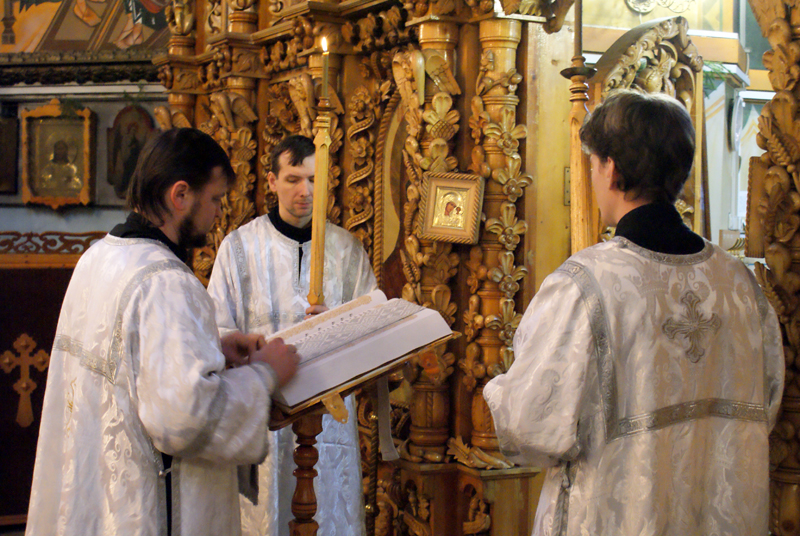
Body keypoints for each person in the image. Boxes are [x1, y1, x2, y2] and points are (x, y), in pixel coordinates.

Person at [483, 90, 785, 535]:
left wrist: (498, 391)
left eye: (592, 163)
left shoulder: (585, 285)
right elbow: (767, 403)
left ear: (610, 168)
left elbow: (530, 427)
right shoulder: (739, 284)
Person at [25, 128, 299, 536]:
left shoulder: (97, 258)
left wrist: (210, 344)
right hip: (143, 509)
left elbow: (132, 362)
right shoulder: (167, 281)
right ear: (180, 195)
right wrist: (265, 374)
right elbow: (187, 418)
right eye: (215, 199)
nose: (218, 213)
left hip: (94, 496)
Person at [208, 134, 376, 536]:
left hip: (328, 418)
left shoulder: (347, 250)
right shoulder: (239, 248)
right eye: (293, 179)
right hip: (264, 411)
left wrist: (339, 322)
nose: (305, 191)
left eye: (315, 180)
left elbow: (372, 328)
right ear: (272, 181)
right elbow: (215, 329)